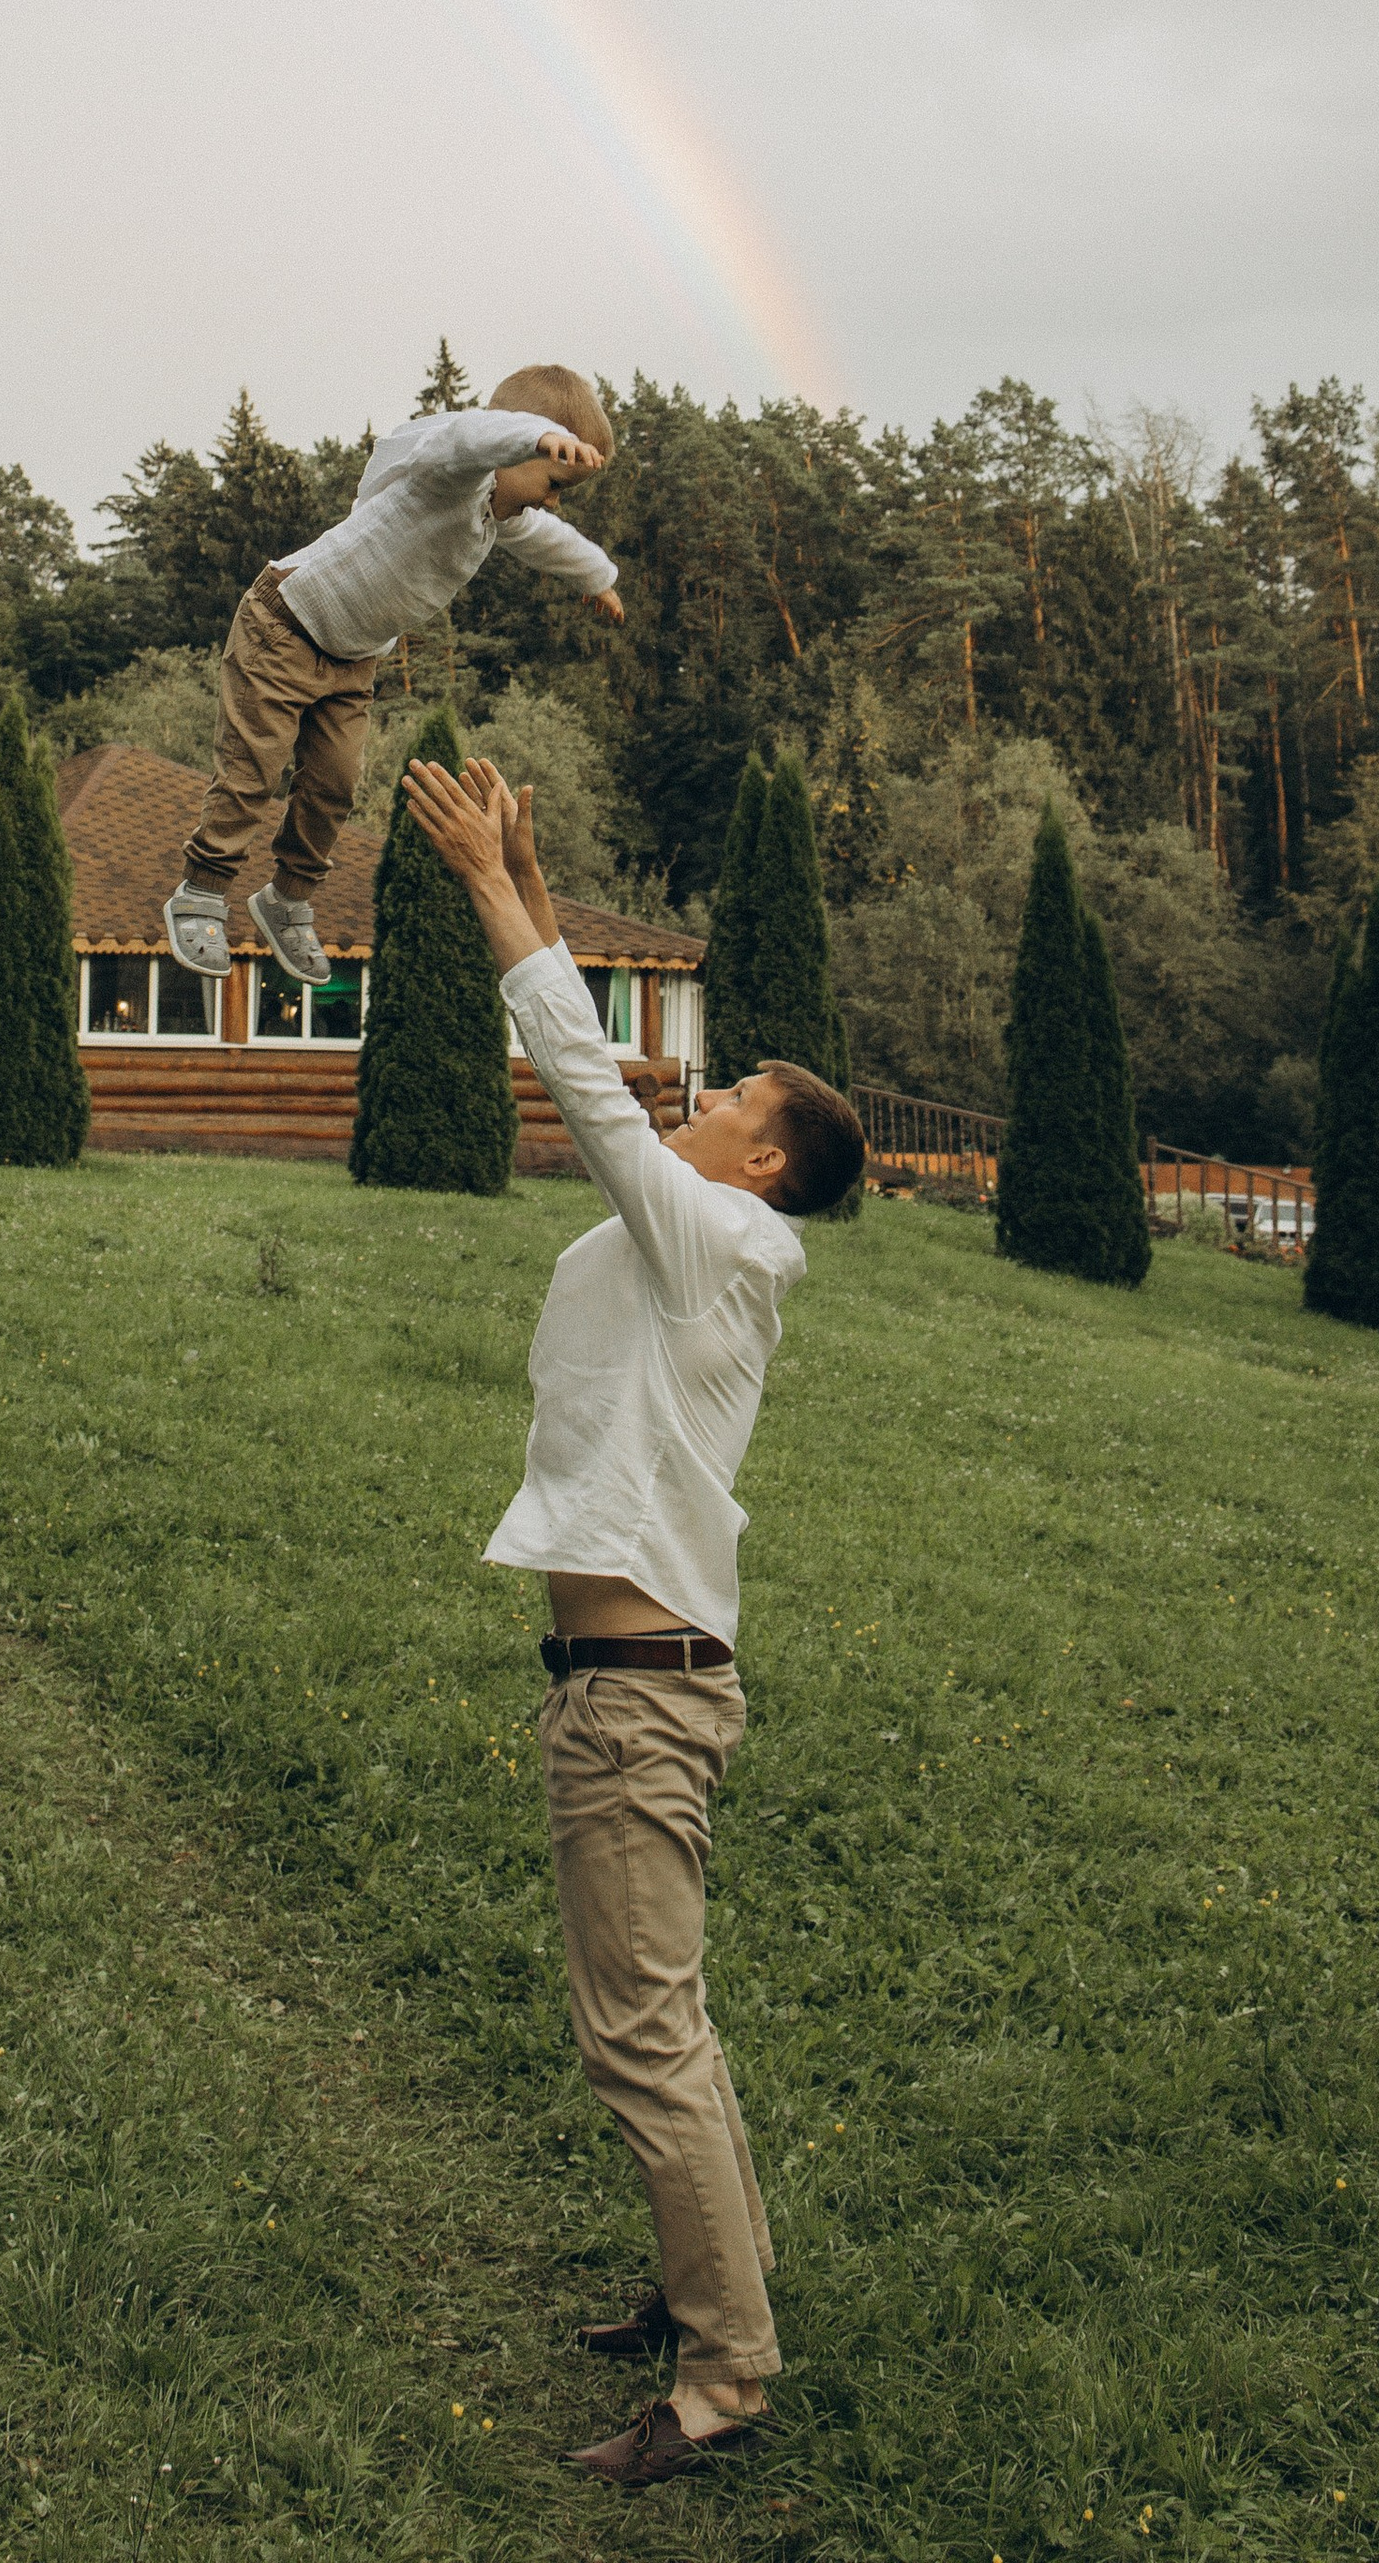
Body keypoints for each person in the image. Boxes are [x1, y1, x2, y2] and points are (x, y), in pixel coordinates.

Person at [399, 754, 864, 2489]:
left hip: (643, 1697)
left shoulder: (735, 1250)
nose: (700, 1093)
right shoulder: (677, 1241)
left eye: (731, 1089)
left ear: (763, 1158)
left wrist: (490, 895)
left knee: (642, 2034)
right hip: (623, 1681)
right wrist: (538, 869)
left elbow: (589, 1084)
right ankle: (700, 2302)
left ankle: (724, 2382)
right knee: (661, 2022)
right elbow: (615, 1095)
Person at [162, 366, 624, 990]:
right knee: (254, 770)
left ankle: (287, 898)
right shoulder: (448, 474)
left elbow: (551, 539)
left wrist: (598, 576)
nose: (552, 497)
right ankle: (202, 890)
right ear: (516, 448)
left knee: (335, 785)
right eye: (553, 479)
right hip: (283, 624)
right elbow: (464, 437)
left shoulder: (504, 517)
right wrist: (535, 435)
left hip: (353, 660)